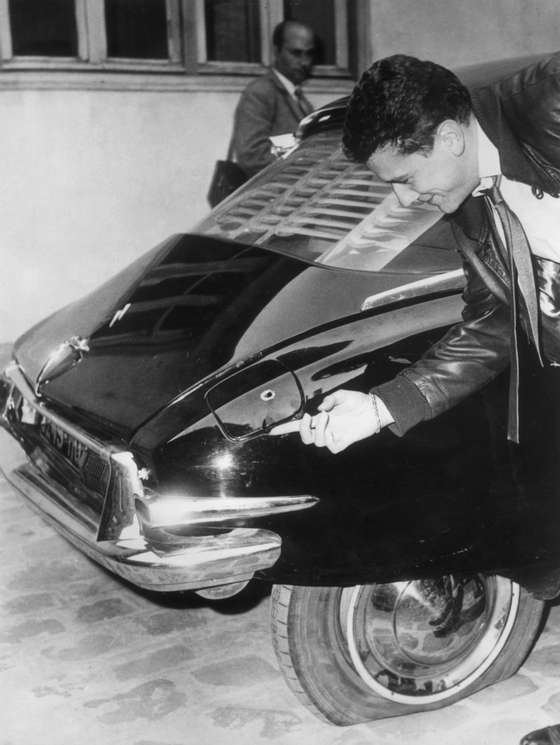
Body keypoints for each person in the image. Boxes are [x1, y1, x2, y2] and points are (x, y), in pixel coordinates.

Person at [270, 51, 560, 745]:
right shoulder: (469, 194)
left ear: (451, 138)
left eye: (405, 179)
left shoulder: (548, 104)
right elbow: (493, 320)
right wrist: (379, 406)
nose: (402, 201)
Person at [232, 20, 315, 177]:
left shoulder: (299, 98)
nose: (305, 62)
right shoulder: (260, 93)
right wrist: (305, 168)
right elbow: (251, 157)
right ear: (277, 52)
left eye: (309, 54)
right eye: (296, 53)